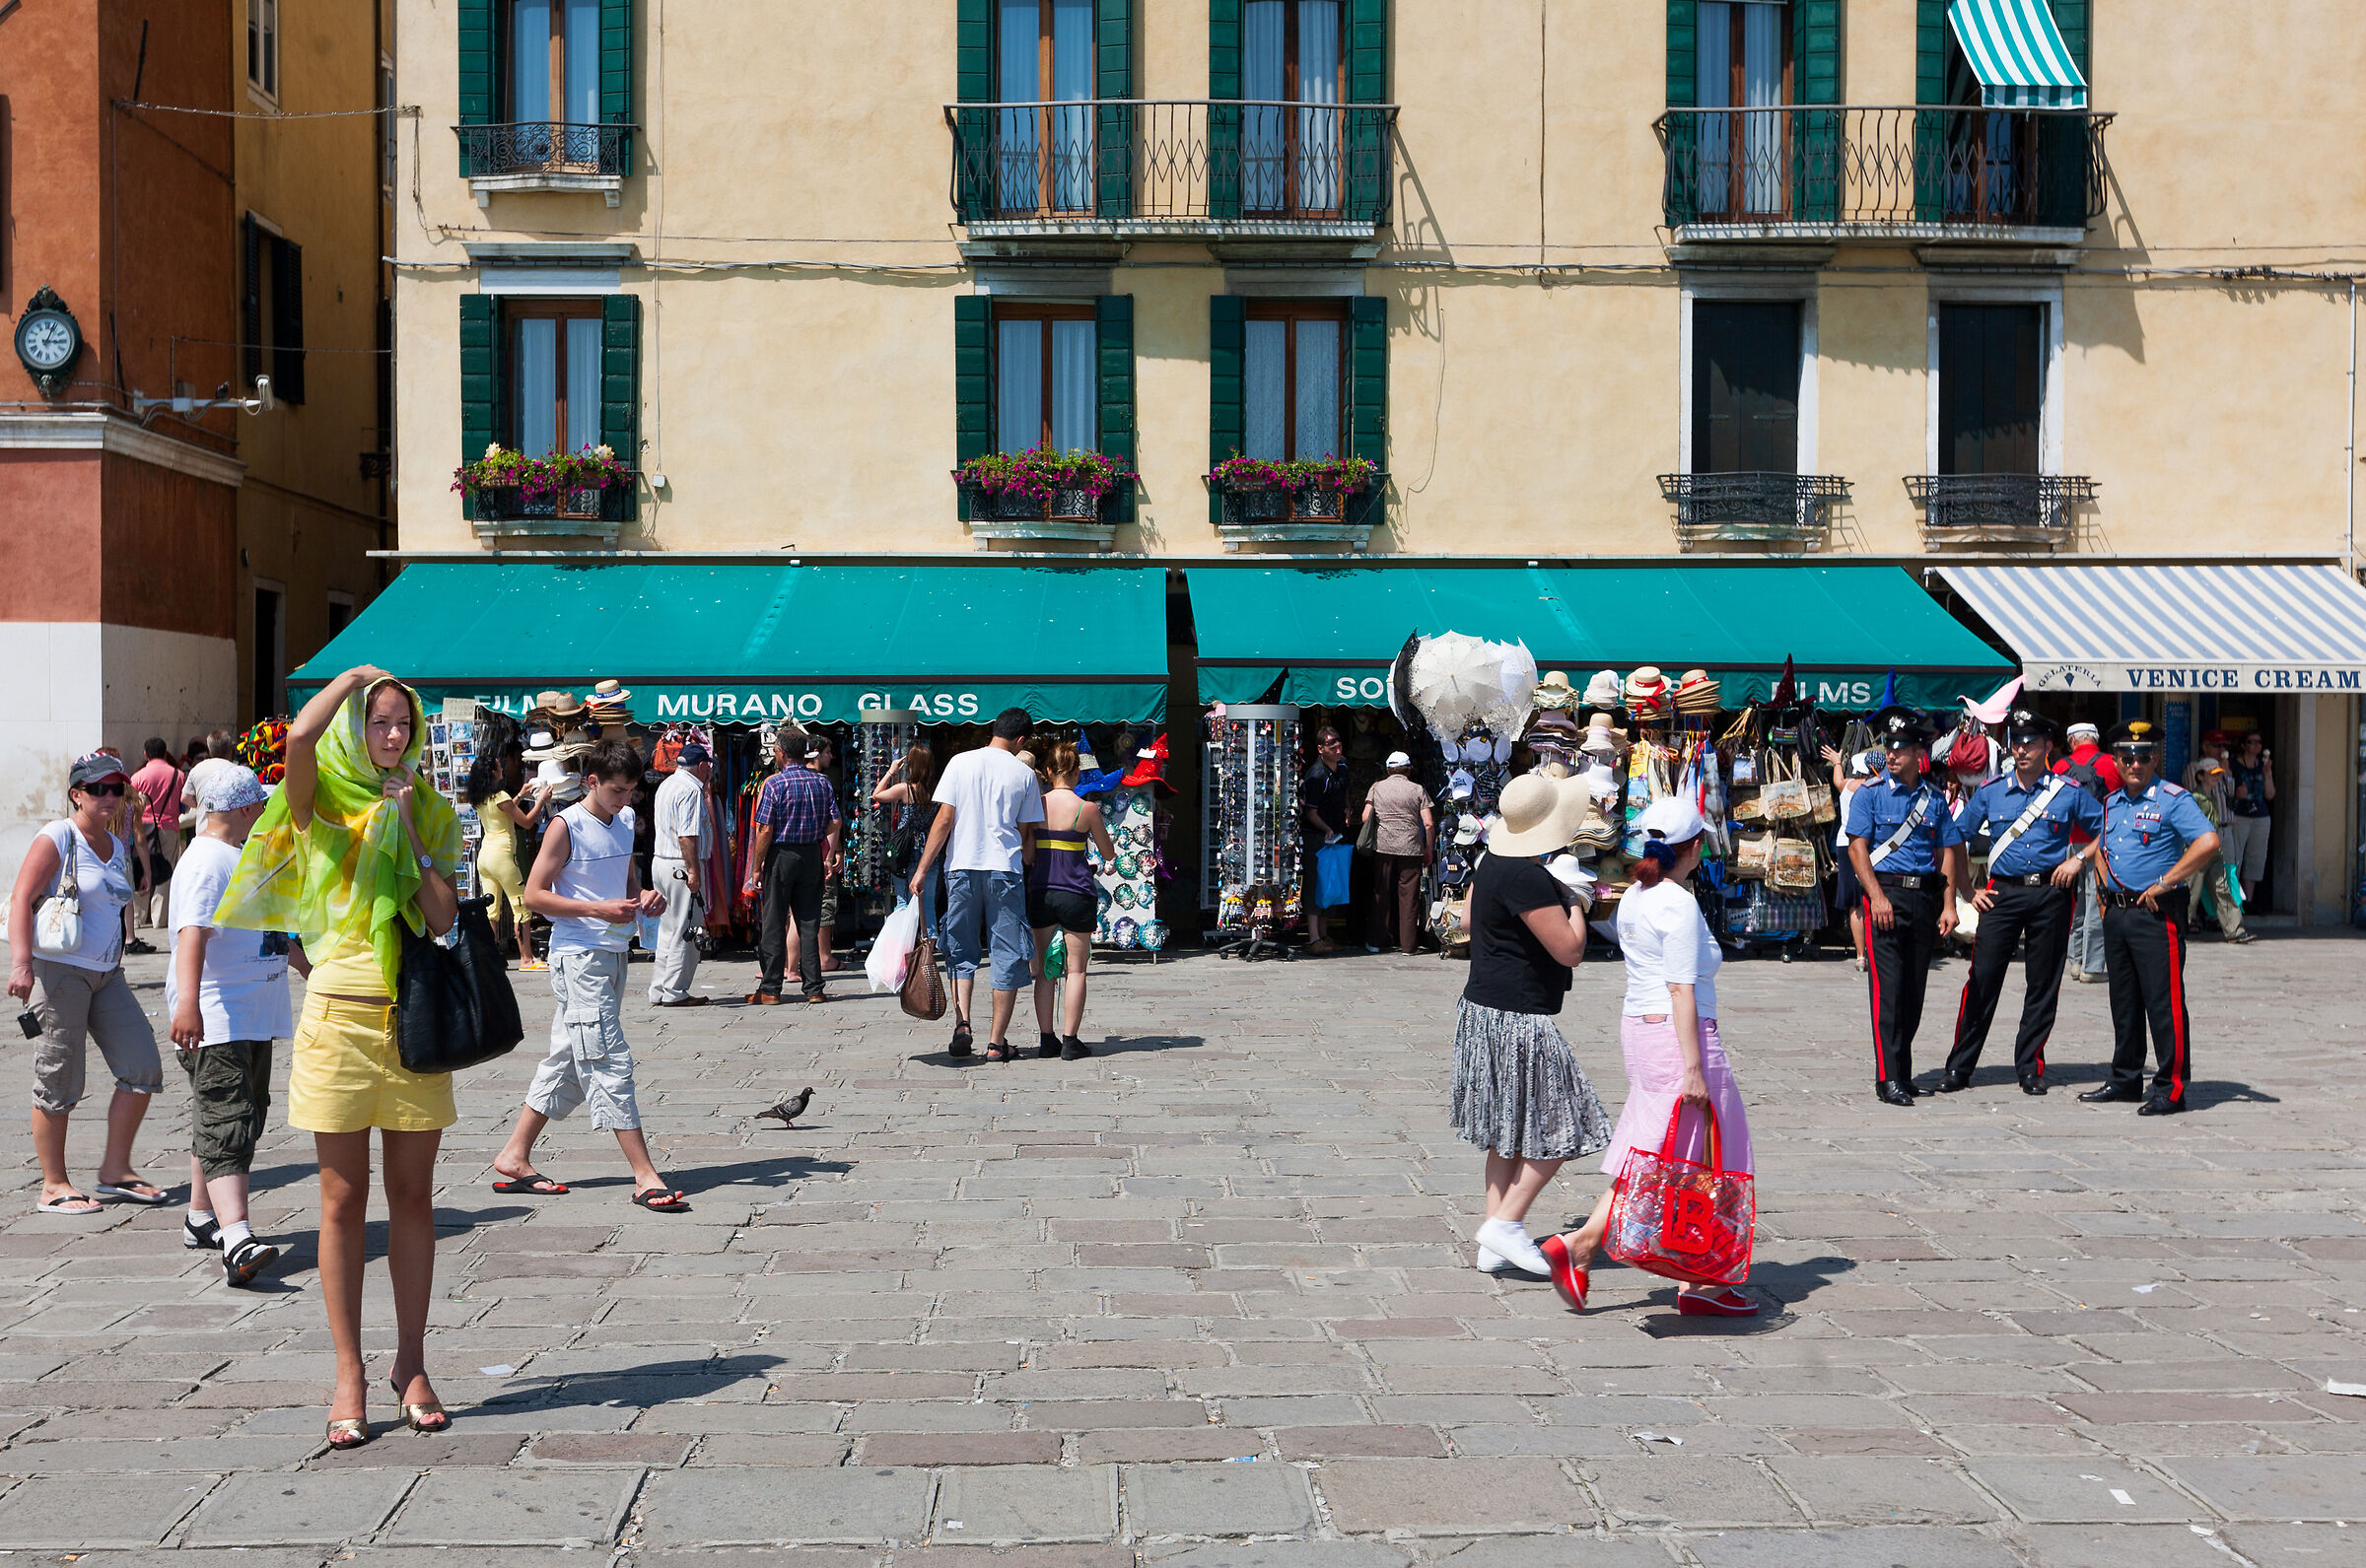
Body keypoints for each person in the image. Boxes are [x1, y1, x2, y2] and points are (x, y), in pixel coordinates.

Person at [212, 664, 461, 1448]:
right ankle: (348, 1370)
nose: (392, 733)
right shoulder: (319, 803)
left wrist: (409, 827)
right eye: (378, 720)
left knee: (413, 1199)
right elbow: (298, 736)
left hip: (413, 1022)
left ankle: (411, 1363)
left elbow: (443, 917)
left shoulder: (429, 805)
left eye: (402, 723)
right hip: (338, 1020)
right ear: (358, 727)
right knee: (342, 1201)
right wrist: (352, 675)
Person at [1541, 795, 1758, 1317]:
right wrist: (1694, 1069)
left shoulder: (1636, 896)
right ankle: (1686, 1275)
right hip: (1679, 1036)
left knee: (1657, 1150)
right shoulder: (1676, 903)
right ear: (1696, 846)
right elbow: (1681, 987)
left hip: (1641, 1029)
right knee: (1708, 1153)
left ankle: (1673, 1269)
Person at [493, 739, 686, 1208]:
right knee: (606, 1058)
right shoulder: (566, 825)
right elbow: (534, 895)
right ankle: (645, 1175)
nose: (625, 799)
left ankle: (515, 1155)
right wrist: (597, 909)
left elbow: (625, 882)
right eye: (617, 790)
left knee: (568, 1058)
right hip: (578, 957)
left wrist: (644, 898)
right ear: (592, 781)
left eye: (631, 790)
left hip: (613, 953)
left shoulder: (625, 819)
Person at [1443, 774, 1611, 1284]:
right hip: (1517, 1017)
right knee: (1568, 1122)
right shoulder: (1528, 876)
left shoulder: (1491, 860)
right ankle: (1507, 1224)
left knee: (1506, 1131)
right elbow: (1570, 950)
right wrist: (1575, 900)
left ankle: (1493, 1239)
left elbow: (1467, 920)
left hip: (1482, 1009)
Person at [7, 752, 168, 1214]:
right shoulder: (58, 836)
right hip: (59, 973)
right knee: (58, 1078)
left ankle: (115, 1170)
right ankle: (53, 1185)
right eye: (98, 789)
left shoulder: (115, 844)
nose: (109, 796)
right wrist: (21, 964)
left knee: (142, 1066)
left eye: (117, 789)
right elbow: (20, 899)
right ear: (76, 794)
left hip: (107, 975)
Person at [166, 764, 293, 1286]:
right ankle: (237, 1239)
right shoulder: (206, 861)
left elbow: (276, 931)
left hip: (251, 1013)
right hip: (219, 1014)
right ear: (241, 809)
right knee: (228, 1116)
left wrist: (313, 972)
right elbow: (192, 934)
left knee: (241, 1112)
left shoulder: (239, 855)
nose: (265, 810)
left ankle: (202, 1216)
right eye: (259, 803)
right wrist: (188, 1004)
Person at [1938, 711, 2103, 1097]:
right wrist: (1967, 891)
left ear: (2047, 747)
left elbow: (2108, 827)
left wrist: (2079, 859)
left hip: (2051, 894)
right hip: (2002, 894)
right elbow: (1954, 837)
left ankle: (2030, 1067)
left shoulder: (2067, 791)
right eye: (2017, 743)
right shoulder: (1992, 790)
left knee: (2043, 984)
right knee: (1982, 979)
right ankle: (1960, 1066)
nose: (2022, 750)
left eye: (2030, 743)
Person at [2078, 721, 2219, 1116]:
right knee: (2123, 1001)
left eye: (2143, 757)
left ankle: (2171, 1087)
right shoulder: (2112, 801)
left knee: (2163, 1003)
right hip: (2118, 913)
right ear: (2116, 761)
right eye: (2127, 757)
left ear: (2155, 759)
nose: (2135, 764)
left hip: (2156, 915)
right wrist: (2103, 898)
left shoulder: (2173, 799)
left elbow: (2208, 842)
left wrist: (2166, 881)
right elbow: (2102, 848)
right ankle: (2125, 1078)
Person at [1844, 706, 1968, 1107]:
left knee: (1914, 992)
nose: (1892, 755)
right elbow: (1857, 849)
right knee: (1889, 993)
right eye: (1889, 747)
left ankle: (1904, 1073)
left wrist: (1949, 905)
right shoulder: (1870, 793)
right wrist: (1876, 897)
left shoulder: (1933, 799)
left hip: (1922, 898)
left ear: (1919, 753)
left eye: (1900, 748)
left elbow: (1946, 851)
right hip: (1886, 895)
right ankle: (1888, 1078)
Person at [910, 708, 1045, 1061]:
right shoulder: (1024, 774)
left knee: (960, 951)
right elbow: (1025, 833)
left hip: (961, 868)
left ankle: (962, 1024)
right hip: (1005, 871)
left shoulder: (960, 762)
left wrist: (922, 869)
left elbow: (944, 820)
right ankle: (996, 1043)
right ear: (1021, 739)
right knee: (1007, 955)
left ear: (994, 729)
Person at [1026, 742, 1117, 1061]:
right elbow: (1108, 852)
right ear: (1078, 772)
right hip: (1077, 893)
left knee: (1044, 972)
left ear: (1048, 771)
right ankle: (1070, 1041)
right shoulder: (1087, 809)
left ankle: (1046, 1040)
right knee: (1076, 970)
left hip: (1042, 891)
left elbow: (1028, 855)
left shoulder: (1036, 806)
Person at [743, 731, 842, 1005]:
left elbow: (765, 829)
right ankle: (814, 988)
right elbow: (835, 821)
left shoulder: (774, 784)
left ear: (783, 753)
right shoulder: (822, 782)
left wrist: (756, 866)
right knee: (808, 922)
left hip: (782, 854)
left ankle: (771, 989)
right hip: (811, 853)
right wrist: (822, 841)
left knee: (774, 921)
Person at [466, 750, 548, 970]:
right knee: (521, 906)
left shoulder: (481, 797)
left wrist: (520, 795)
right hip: (503, 856)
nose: (502, 768)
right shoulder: (500, 796)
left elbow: (504, 810)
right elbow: (527, 822)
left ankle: (490, 960)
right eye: (498, 765)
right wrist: (541, 800)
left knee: (491, 910)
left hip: (485, 856)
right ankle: (526, 958)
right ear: (493, 772)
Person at [2053, 721, 2122, 984]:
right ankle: (2092, 966)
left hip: (2068, 842)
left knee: (2074, 901)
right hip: (2101, 840)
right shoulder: (2112, 763)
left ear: (2072, 741)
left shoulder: (2060, 766)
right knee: (2097, 901)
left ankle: (2074, 961)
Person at [648, 742, 714, 1005]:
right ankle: (675, 991)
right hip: (680, 865)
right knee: (687, 929)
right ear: (702, 766)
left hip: (662, 862)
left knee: (668, 929)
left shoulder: (667, 784)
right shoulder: (691, 790)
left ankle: (660, 989)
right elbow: (687, 835)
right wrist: (693, 871)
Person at [1360, 750, 1432, 955]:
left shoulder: (1377, 787)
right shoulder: (1417, 789)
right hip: (1411, 847)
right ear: (1408, 770)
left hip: (1383, 846)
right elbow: (1428, 823)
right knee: (1409, 897)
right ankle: (1409, 946)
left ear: (1388, 770)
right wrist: (1428, 848)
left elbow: (1365, 817)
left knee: (1381, 892)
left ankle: (1376, 941)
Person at [874, 743, 940, 945]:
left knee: (903, 900)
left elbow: (877, 794)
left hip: (905, 850)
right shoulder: (937, 790)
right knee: (927, 903)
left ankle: (903, 946)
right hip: (929, 849)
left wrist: (891, 771)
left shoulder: (906, 789)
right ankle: (929, 947)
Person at [2184, 754, 2253, 943]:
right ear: (2200, 776)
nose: (2216, 777)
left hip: (2213, 852)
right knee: (2191, 893)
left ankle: (2235, 931)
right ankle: (2178, 929)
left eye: (2218, 774)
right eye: (2211, 774)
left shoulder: (2212, 796)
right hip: (2197, 853)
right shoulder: (2195, 798)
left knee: (2222, 890)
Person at [1824, 745, 1879, 973]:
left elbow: (1837, 780)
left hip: (1846, 844)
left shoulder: (1848, 786)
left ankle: (1860, 956)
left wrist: (1837, 761)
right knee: (1875, 896)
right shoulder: (1879, 790)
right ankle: (1876, 953)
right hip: (1872, 845)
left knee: (1855, 903)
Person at [1300, 726, 1349, 954]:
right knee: (1314, 884)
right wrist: (1327, 829)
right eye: (1331, 744)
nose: (1337, 748)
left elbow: (1344, 791)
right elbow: (1311, 812)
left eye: (1338, 743)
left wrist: (1347, 808)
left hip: (1336, 835)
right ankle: (1313, 938)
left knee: (1331, 884)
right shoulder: (1316, 775)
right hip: (1317, 836)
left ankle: (1324, 934)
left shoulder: (1342, 767)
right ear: (1321, 749)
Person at [129, 738, 185, 930]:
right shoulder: (178, 775)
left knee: (140, 869)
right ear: (165, 752)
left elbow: (131, 805)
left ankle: (137, 918)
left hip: (142, 827)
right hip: (169, 827)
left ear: (146, 754)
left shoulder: (137, 777)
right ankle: (159, 919)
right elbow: (183, 804)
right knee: (166, 871)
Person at [808, 735, 849, 974]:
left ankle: (791, 961)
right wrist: (833, 853)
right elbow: (833, 821)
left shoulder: (783, 779)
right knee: (825, 902)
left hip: (797, 852)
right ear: (815, 752)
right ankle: (824, 956)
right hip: (821, 851)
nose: (831, 757)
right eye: (827, 752)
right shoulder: (822, 782)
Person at [2222, 730, 2273, 904]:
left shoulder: (2264, 765)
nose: (2257, 745)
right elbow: (2225, 792)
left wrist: (2267, 774)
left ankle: (2249, 901)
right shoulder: (2233, 765)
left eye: (2259, 742)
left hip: (2261, 816)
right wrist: (2237, 795)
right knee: (2235, 857)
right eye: (2252, 741)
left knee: (2256, 859)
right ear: (2243, 745)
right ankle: (2234, 899)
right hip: (2239, 815)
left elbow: (2270, 794)